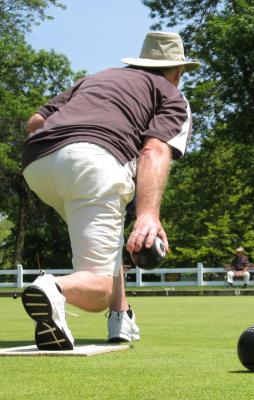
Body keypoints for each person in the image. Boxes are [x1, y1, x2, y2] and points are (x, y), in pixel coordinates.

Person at [20, 31, 200, 350]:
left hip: (37, 164)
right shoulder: (173, 97)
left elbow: (36, 121)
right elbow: (154, 151)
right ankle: (52, 287)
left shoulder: (97, 79)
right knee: (98, 289)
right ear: (177, 72)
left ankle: (121, 317)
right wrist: (147, 216)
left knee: (111, 236)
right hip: (94, 162)